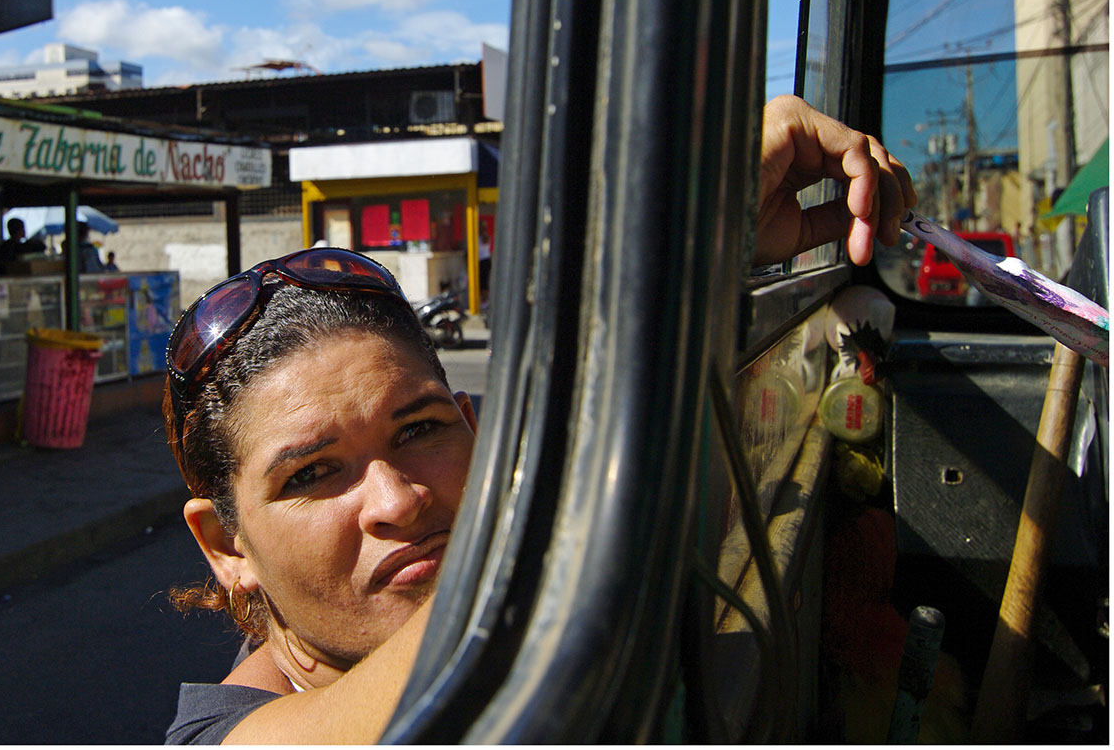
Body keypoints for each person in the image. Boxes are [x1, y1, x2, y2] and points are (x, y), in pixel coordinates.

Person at [161, 95, 916, 744]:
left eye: (420, 430)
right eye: (313, 473)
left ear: (474, 426)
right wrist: (678, 251)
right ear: (226, 542)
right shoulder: (226, 734)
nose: (397, 501)